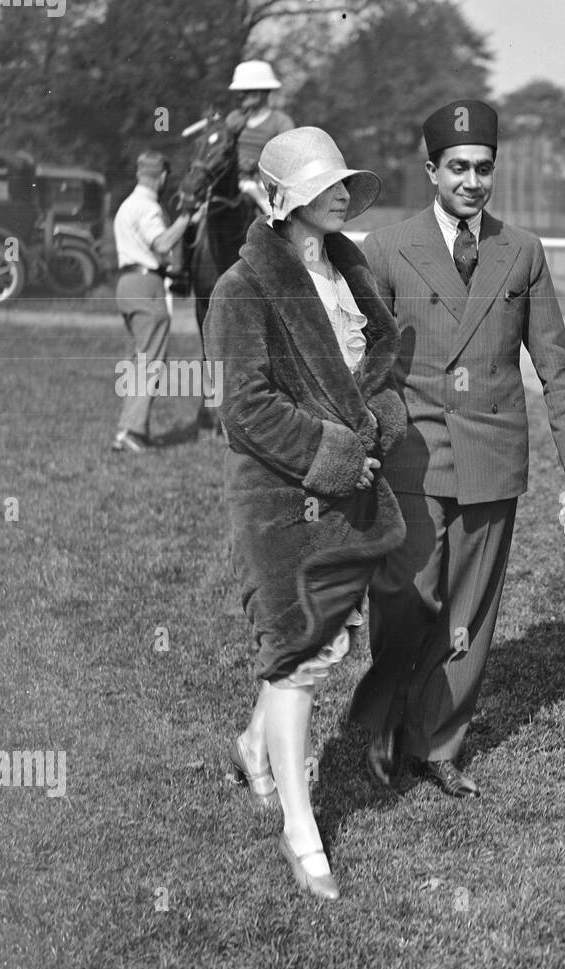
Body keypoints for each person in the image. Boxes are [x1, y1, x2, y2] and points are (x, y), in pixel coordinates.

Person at [349, 98, 565, 800]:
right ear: (431, 169)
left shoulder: (522, 252)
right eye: (458, 167)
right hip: (414, 455)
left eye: (484, 167)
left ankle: (441, 741)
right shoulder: (388, 249)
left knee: (468, 610)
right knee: (408, 594)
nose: (472, 180)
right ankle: (388, 724)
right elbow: (364, 361)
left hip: (492, 454)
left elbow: (556, 363)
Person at [204, 127, 407, 900]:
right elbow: (246, 409)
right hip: (278, 493)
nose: (343, 195)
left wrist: (374, 426)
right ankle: (302, 830)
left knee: (317, 643)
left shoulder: (348, 270)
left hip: (347, 484)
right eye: (326, 186)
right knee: (297, 655)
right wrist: (341, 453)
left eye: (346, 182)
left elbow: (376, 367)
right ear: (284, 200)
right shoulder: (241, 289)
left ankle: (254, 746)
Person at [111, 151, 196, 452]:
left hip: (125, 284)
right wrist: (187, 216)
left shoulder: (126, 206)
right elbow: (161, 243)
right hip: (146, 284)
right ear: (162, 177)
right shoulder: (148, 207)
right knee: (150, 362)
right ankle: (131, 431)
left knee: (139, 361)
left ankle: (130, 430)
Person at [225, 60, 295, 216]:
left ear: (263, 92)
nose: (241, 95)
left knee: (279, 218)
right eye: (240, 91)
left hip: (264, 186)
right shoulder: (233, 119)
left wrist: (257, 168)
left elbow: (287, 162)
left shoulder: (281, 122)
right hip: (231, 182)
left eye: (247, 90)